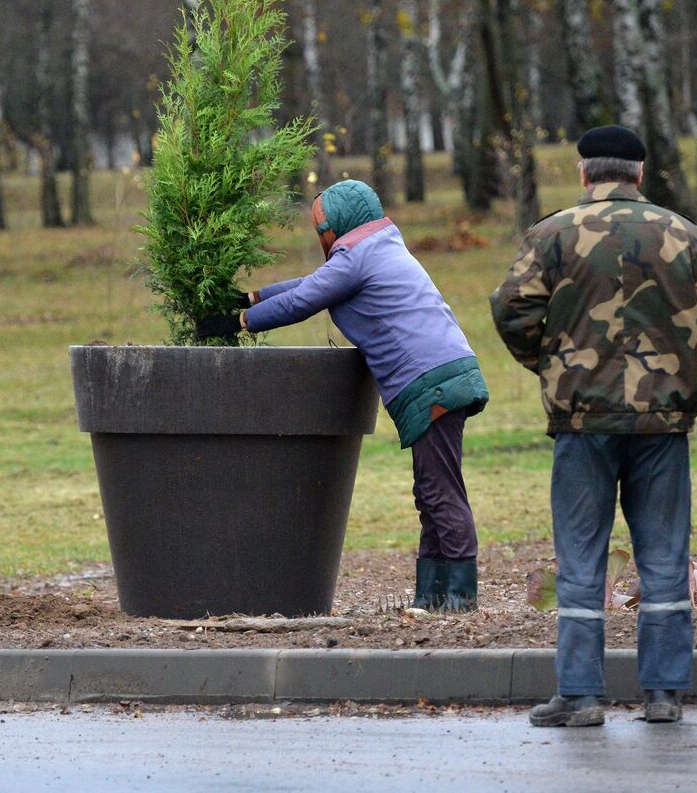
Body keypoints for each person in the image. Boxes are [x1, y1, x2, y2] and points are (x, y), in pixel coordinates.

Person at [491, 125, 697, 727]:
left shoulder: (551, 234)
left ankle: (580, 695)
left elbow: (512, 310)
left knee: (580, 557)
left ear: (584, 174)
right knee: (665, 556)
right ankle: (664, 694)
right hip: (662, 425)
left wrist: (551, 364)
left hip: (582, 422)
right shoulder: (684, 234)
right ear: (640, 175)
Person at [195, 179, 489, 611]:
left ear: (339, 225)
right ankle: (434, 599)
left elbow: (303, 301)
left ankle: (459, 600)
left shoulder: (359, 258)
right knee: (432, 490)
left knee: (440, 490)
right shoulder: (377, 246)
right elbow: (313, 283)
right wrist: (252, 297)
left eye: (320, 229)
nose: (320, 238)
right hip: (444, 375)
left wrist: (237, 321)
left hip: (433, 383)